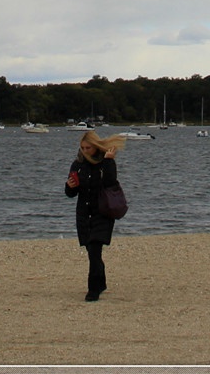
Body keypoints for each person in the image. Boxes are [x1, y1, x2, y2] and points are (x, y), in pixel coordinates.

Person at [63, 129, 127, 301]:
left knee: (95, 250)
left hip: (102, 212)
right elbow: (70, 193)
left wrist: (109, 161)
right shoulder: (77, 165)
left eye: (88, 148)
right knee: (91, 251)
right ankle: (101, 283)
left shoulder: (105, 162)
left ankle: (93, 290)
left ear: (96, 147)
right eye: (82, 148)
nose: (85, 151)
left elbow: (110, 183)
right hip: (84, 213)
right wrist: (70, 186)